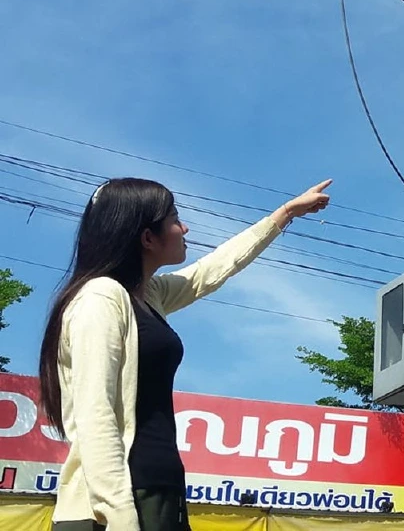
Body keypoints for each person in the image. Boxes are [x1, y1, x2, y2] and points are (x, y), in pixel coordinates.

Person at [38, 177, 333, 531]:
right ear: (148, 238)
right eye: (175, 219)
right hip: (114, 508)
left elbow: (212, 270)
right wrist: (120, 516)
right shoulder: (100, 299)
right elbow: (95, 413)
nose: (185, 227)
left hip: (158, 492)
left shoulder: (149, 296)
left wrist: (285, 214)